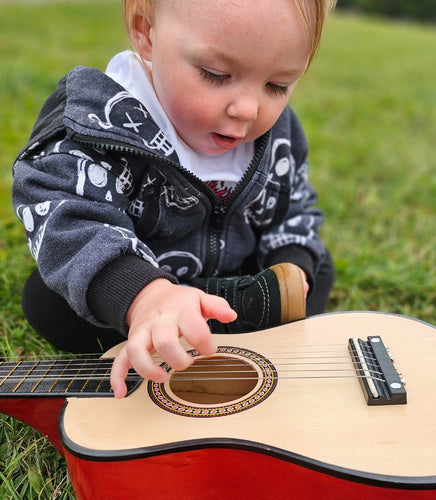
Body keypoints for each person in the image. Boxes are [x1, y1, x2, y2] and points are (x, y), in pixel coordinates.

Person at [12, 0, 335, 398]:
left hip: (235, 276)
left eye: (277, 85)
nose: (248, 109)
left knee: (314, 269)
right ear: (146, 31)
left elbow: (293, 206)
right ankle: (188, 325)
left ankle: (228, 316)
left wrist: (291, 264)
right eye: (216, 75)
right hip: (141, 290)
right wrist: (145, 296)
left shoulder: (277, 134)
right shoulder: (98, 122)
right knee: (49, 303)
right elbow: (68, 216)